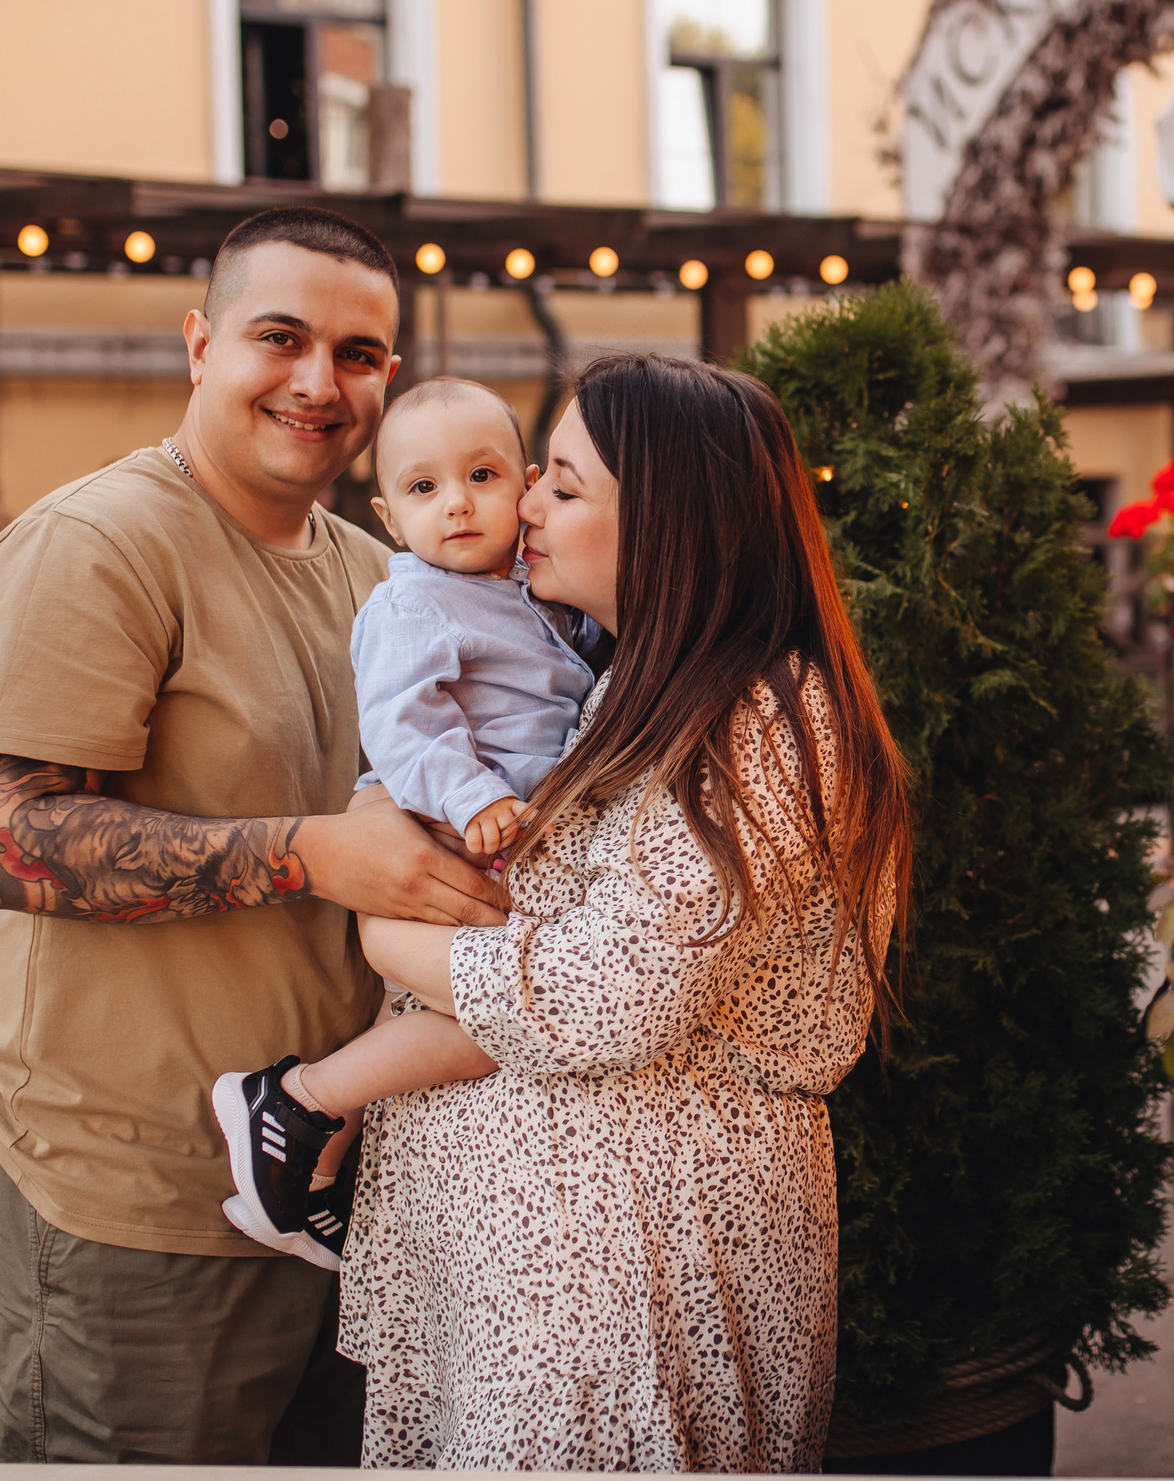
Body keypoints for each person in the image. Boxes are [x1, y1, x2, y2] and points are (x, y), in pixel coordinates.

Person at [0, 207, 507, 1466]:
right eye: (277, 337)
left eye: (356, 354)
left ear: (388, 377)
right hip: (136, 1209)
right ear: (199, 343)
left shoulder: (379, 570)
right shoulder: (101, 544)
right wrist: (310, 854)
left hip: (337, 1187)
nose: (316, 381)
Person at [335, 354, 911, 1471]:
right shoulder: (624, 676)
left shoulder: (758, 718)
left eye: (560, 482)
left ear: (670, 519)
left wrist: (384, 927)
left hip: (618, 1297)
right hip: (544, 1279)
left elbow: (602, 997)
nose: (522, 507)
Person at [216, 377, 598, 1269]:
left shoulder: (533, 591)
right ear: (390, 517)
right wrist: (473, 799)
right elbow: (400, 727)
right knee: (500, 1025)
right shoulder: (413, 604)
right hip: (461, 835)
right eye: (425, 489)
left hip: (512, 840)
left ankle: (311, 1158)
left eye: (482, 474)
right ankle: (294, 1101)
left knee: (478, 1021)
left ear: (528, 488)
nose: (457, 502)